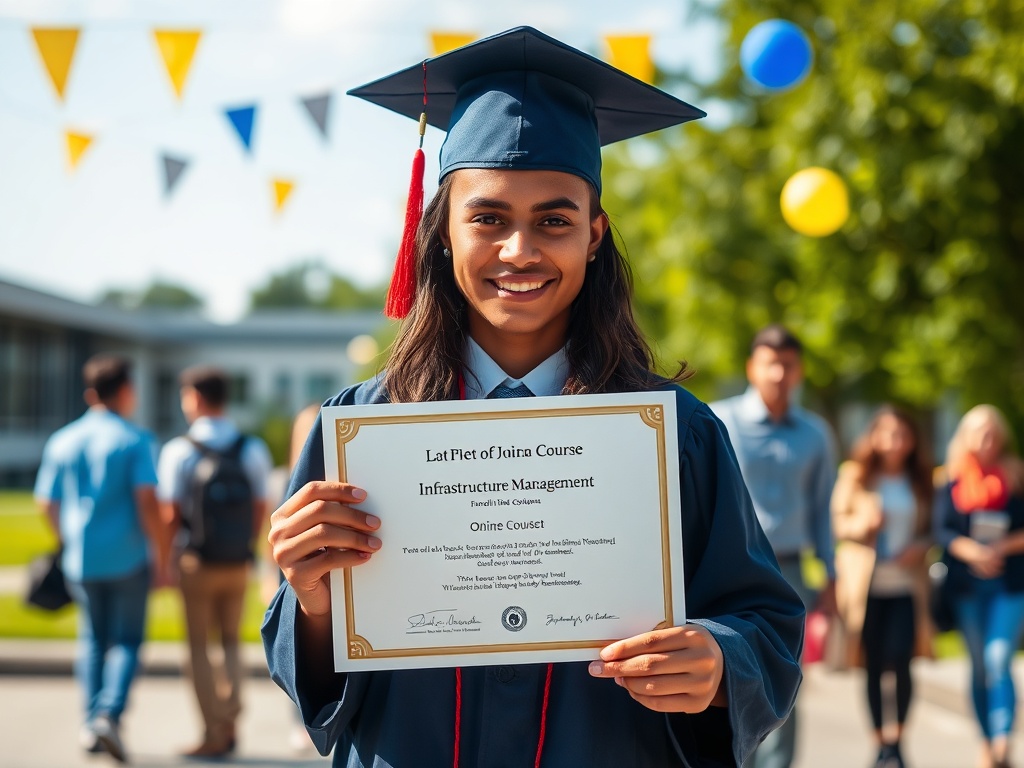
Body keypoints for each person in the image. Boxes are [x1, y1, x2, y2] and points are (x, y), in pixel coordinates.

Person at [262, 26, 804, 767]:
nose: (520, 250)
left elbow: (764, 624)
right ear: (443, 233)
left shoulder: (674, 434)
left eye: (555, 219)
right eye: (488, 218)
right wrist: (314, 602)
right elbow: (312, 668)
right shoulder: (363, 429)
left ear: (595, 234)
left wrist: (718, 662)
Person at [710, 323, 838, 768]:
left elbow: (824, 509)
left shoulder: (816, 435)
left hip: (792, 570)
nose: (779, 374)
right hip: (728, 567)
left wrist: (832, 574)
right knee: (728, 677)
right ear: (752, 367)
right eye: (770, 363)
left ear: (799, 370)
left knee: (785, 681)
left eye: (788, 364)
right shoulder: (718, 420)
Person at [33, 354, 162, 763]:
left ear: (90, 394)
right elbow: (147, 501)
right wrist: (161, 552)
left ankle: (90, 723)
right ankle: (109, 713)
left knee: (91, 639)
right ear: (127, 391)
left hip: (81, 559)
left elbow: (45, 502)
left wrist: (65, 538)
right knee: (126, 640)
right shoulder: (135, 440)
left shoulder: (63, 439)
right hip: (127, 556)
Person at [157, 365, 273, 757]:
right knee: (230, 643)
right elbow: (262, 507)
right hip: (237, 561)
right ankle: (231, 718)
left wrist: (164, 561)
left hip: (197, 561)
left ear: (195, 398)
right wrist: (247, 548)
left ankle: (211, 731)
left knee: (197, 648)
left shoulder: (179, 450)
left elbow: (170, 515)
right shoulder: (251, 447)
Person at [831, 406, 935, 768]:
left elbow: (933, 529)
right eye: (888, 433)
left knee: (902, 660)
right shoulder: (856, 476)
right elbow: (838, 524)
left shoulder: (921, 479)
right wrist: (864, 524)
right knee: (873, 664)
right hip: (867, 587)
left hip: (907, 587)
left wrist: (920, 547)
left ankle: (899, 739)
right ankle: (880, 744)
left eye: (903, 434)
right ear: (874, 436)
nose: (895, 442)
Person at [934, 405, 1024, 768]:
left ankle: (1003, 740)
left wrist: (1003, 547)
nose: (986, 439)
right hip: (967, 588)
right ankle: (987, 742)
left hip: (1008, 584)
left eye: (992, 431)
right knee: (978, 666)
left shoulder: (1016, 476)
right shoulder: (952, 480)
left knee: (997, 658)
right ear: (966, 436)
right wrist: (971, 551)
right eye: (978, 431)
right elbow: (942, 530)